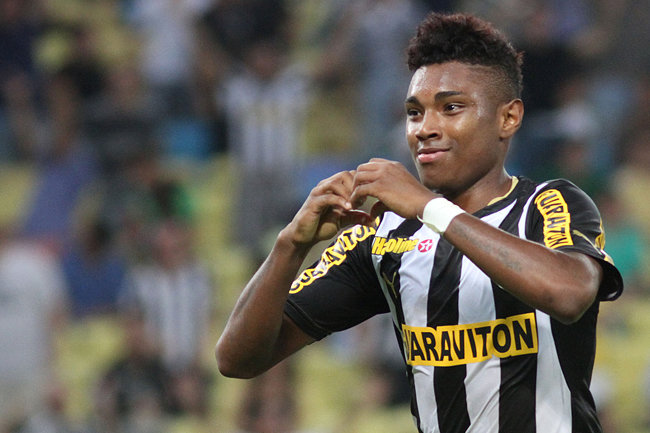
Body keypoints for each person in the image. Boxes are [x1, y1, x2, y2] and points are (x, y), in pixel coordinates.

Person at [216, 12, 623, 433]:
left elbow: (569, 293)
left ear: (508, 118)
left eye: (451, 108)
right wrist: (290, 246)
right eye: (414, 112)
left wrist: (430, 207)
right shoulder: (384, 235)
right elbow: (237, 359)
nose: (425, 129)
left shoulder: (549, 203)